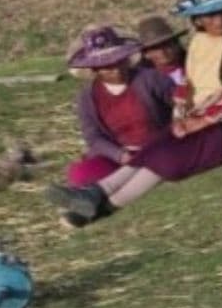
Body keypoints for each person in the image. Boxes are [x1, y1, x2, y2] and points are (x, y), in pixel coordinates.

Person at [48, 0, 222, 226]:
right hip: (193, 118)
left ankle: (102, 208)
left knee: (167, 158)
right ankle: (95, 192)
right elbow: (190, 83)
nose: (219, 20)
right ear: (197, 19)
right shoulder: (199, 42)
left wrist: (201, 119)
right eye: (210, 15)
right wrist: (183, 108)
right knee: (155, 147)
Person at [64, 25, 174, 188]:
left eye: (119, 62)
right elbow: (93, 136)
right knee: (81, 174)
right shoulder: (87, 97)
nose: (116, 70)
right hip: (119, 155)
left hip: (159, 147)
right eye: (108, 67)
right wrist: (119, 155)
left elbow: (178, 104)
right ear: (95, 69)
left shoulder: (150, 79)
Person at [133, 14, 191, 106]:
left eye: (167, 45)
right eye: (155, 48)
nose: (162, 52)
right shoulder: (142, 82)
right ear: (146, 54)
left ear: (176, 45)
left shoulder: (196, 65)